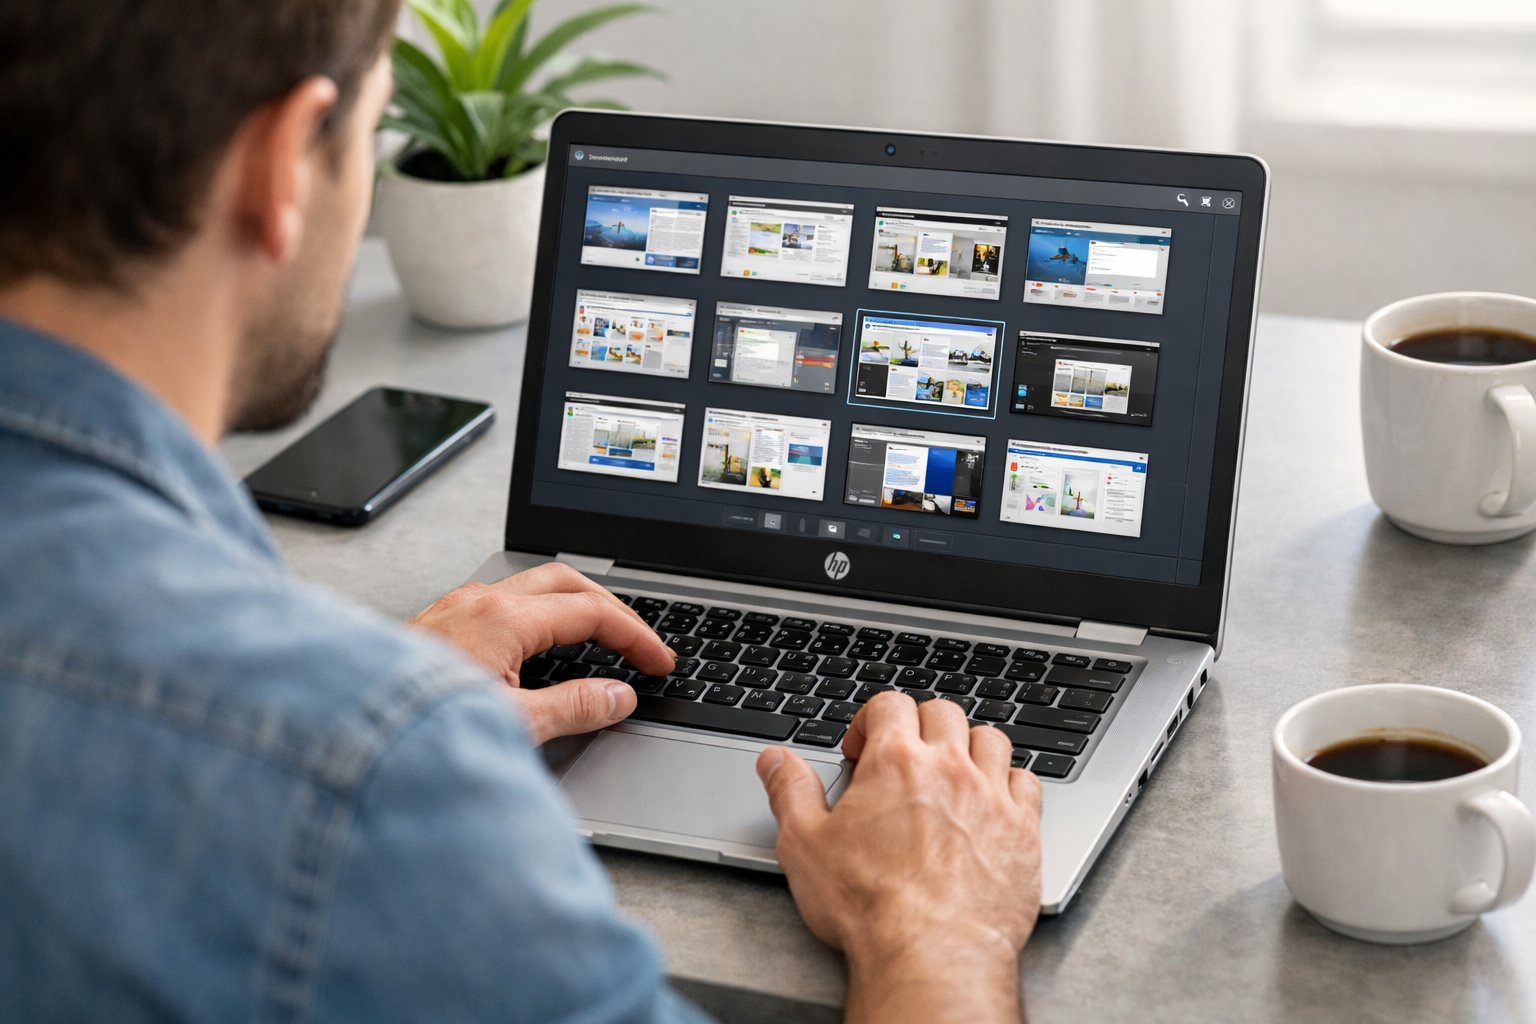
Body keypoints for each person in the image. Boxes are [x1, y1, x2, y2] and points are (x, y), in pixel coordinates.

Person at [0, 2, 1043, 1021]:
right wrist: (936, 928)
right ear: (280, 168)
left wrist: (350, 711)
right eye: (368, 136)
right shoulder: (362, 780)